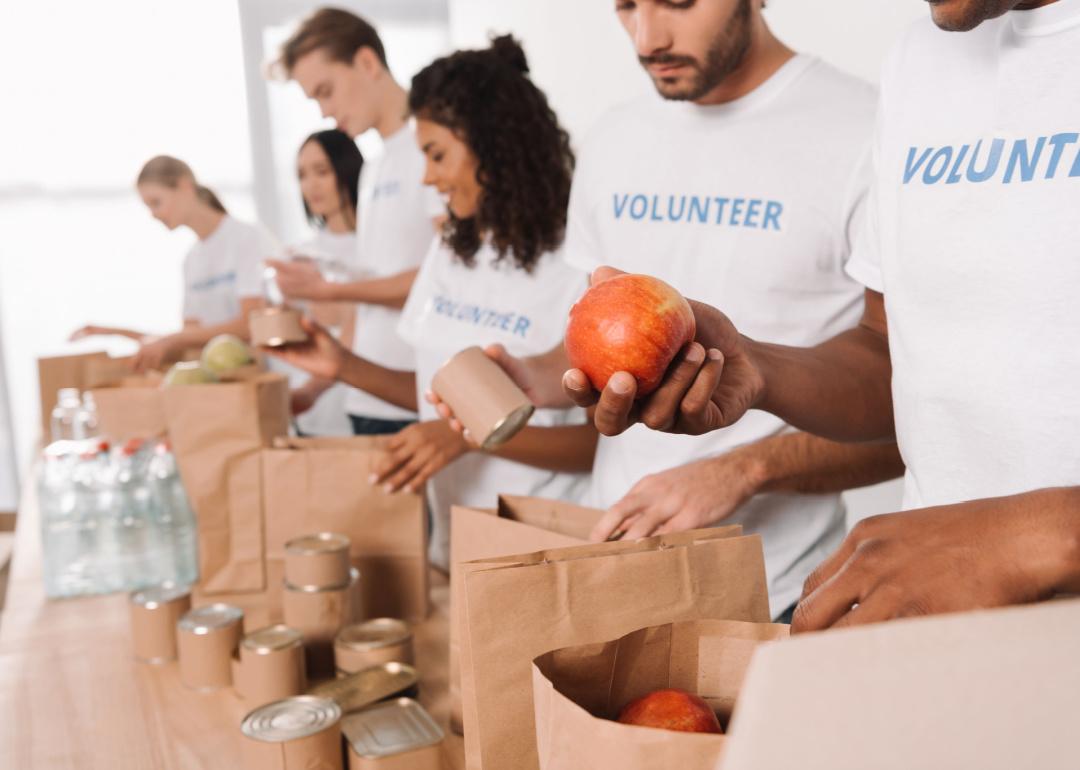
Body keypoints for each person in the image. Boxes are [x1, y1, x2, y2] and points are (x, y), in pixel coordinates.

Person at [557, 0, 1080, 631]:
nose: (648, 35)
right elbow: (887, 355)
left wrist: (1033, 538)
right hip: (938, 634)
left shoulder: (848, 112)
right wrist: (757, 370)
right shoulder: (922, 59)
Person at [431, 0, 904, 621]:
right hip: (616, 567)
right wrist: (535, 377)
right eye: (626, 6)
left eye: (678, 2)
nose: (647, 37)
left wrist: (745, 469)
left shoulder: (870, 130)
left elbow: (909, 413)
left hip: (780, 589)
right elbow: (601, 345)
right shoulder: (612, 139)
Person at [269, 36, 597, 570]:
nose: (426, 176)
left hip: (544, 554)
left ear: (496, 145)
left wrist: (470, 437)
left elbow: (595, 447)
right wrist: (342, 366)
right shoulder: (452, 249)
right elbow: (433, 399)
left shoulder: (580, 262)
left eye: (436, 154)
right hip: (456, 544)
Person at [271, 7, 443, 436]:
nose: (326, 112)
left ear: (367, 63)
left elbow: (443, 281)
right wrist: (318, 384)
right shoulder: (375, 169)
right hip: (365, 395)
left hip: (417, 394)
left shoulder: (433, 151)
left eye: (326, 91)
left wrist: (330, 289)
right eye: (315, 99)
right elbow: (367, 304)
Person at [72, 155, 277, 370]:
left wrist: (170, 340)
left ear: (185, 187)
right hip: (219, 382)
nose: (153, 215)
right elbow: (189, 338)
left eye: (156, 202)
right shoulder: (191, 261)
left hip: (260, 375)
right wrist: (116, 333)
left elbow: (251, 325)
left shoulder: (248, 239)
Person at [283, 129, 362, 436]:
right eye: (302, 175)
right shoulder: (298, 256)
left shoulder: (374, 249)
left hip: (362, 408)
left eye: (322, 172)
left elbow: (350, 337)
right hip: (307, 417)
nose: (310, 185)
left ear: (347, 170)